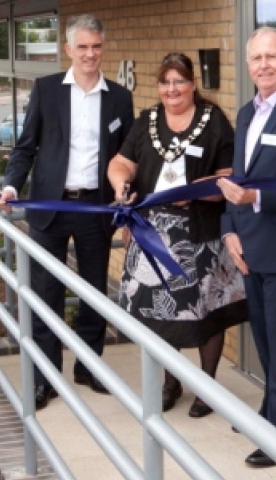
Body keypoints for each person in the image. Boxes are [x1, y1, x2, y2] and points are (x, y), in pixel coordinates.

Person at [0, 14, 135, 409]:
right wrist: (10, 186)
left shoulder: (120, 98)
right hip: (49, 209)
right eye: (83, 47)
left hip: (96, 208)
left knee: (94, 293)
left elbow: (127, 156)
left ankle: (89, 366)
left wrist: (127, 195)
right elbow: (26, 147)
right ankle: (45, 375)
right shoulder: (47, 90)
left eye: (97, 47)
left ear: (103, 48)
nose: (90, 54)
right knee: (45, 293)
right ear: (69, 49)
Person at [108, 52, 247, 415]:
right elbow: (121, 162)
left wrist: (193, 189)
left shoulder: (214, 121)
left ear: (192, 84)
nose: (172, 89)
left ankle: (207, 388)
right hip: (151, 236)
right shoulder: (146, 121)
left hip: (201, 236)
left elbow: (229, 177)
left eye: (179, 81)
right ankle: (170, 383)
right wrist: (121, 185)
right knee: (158, 316)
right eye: (166, 82)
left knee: (207, 312)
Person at [217, 26, 276, 468]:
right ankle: (268, 413)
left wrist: (258, 198)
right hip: (249, 251)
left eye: (272, 56)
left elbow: (253, 190)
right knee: (265, 344)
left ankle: (272, 434)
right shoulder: (245, 114)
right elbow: (237, 178)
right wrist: (229, 229)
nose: (264, 65)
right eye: (257, 58)